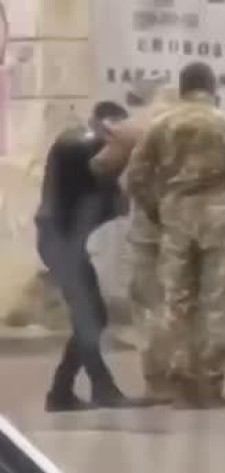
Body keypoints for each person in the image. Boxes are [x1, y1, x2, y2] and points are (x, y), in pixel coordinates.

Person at [125, 62, 225, 409]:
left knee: (176, 301)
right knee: (216, 303)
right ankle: (211, 384)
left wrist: (156, 209)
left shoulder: (162, 126)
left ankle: (181, 381)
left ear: (182, 88)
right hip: (217, 217)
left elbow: (135, 176)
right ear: (212, 87)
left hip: (175, 217)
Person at [35, 101, 141, 412]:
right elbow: (91, 167)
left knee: (93, 315)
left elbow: (112, 201)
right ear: (107, 125)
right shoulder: (77, 143)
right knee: (90, 316)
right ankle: (97, 389)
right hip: (59, 240)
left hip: (67, 241)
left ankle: (62, 392)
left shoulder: (92, 153)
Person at [90, 85, 181, 403]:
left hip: (149, 229)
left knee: (148, 302)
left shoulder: (140, 127)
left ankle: (158, 382)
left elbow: (104, 167)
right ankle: (195, 380)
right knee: (187, 303)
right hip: (192, 228)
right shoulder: (210, 126)